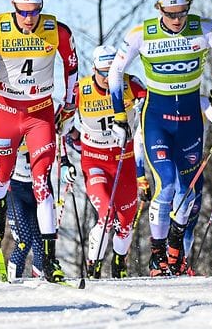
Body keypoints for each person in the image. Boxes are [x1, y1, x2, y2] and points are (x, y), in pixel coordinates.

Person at [108, 0, 212, 277]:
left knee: (187, 193)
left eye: (182, 13)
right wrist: (120, 117)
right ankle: (157, 253)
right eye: (170, 14)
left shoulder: (203, 27)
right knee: (167, 185)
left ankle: (175, 251)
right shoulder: (141, 34)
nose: (177, 20)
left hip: (190, 123)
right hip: (157, 120)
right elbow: (115, 72)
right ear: (159, 8)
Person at [0, 0, 79, 283]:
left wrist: (69, 104)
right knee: (1, 177)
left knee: (42, 181)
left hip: (38, 112)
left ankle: (48, 261)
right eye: (23, 11)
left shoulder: (57, 30)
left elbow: (72, 66)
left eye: (34, 11)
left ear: (41, 6)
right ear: (14, 6)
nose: (28, 18)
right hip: (6, 111)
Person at [62, 45, 148, 279]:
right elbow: (62, 124)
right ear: (94, 70)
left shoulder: (131, 84)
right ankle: (94, 263)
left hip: (125, 161)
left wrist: (143, 108)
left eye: (112, 73)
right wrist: (65, 158)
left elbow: (150, 106)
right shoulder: (82, 90)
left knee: (125, 222)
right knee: (107, 214)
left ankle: (119, 262)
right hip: (95, 162)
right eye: (103, 73)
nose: (108, 79)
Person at [6, 143, 45, 279]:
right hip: (15, 189)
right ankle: (13, 277)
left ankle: (40, 281)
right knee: (24, 240)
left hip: (37, 187)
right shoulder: (11, 124)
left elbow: (68, 136)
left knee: (41, 241)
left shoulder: (39, 126)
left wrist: (65, 163)